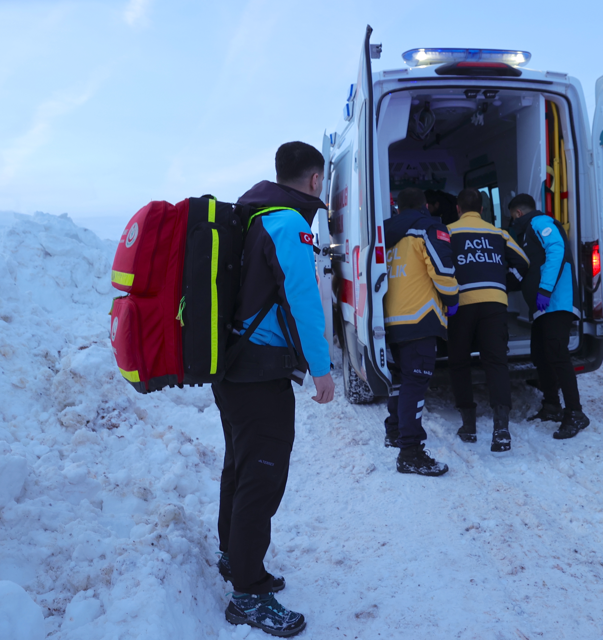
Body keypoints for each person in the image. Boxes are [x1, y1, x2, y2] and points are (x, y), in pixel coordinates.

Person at [214, 141, 335, 636]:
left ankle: (234, 556)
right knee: (262, 478)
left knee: (241, 464)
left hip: (232, 364)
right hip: (259, 371)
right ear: (312, 180)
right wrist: (322, 368)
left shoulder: (251, 212)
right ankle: (247, 594)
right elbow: (302, 297)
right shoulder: (287, 223)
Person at [383, 187, 459, 476]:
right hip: (420, 317)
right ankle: (410, 452)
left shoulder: (385, 234)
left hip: (390, 319)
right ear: (426, 206)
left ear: (397, 208)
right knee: (416, 384)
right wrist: (452, 300)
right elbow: (441, 269)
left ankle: (395, 431)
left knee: (401, 381)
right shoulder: (429, 228)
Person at [446, 188, 529, 451]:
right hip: (494, 302)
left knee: (459, 362)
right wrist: (504, 284)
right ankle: (501, 428)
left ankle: (468, 425)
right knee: (496, 362)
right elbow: (523, 262)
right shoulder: (499, 233)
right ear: (482, 210)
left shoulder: (447, 232)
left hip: (461, 304)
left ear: (458, 209)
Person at [507, 193, 591, 440]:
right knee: (540, 354)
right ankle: (552, 405)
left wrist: (544, 289)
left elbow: (557, 250)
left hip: (557, 302)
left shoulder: (540, 223)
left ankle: (575, 413)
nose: (512, 222)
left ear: (519, 213)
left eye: (513, 217)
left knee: (557, 355)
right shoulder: (525, 235)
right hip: (543, 307)